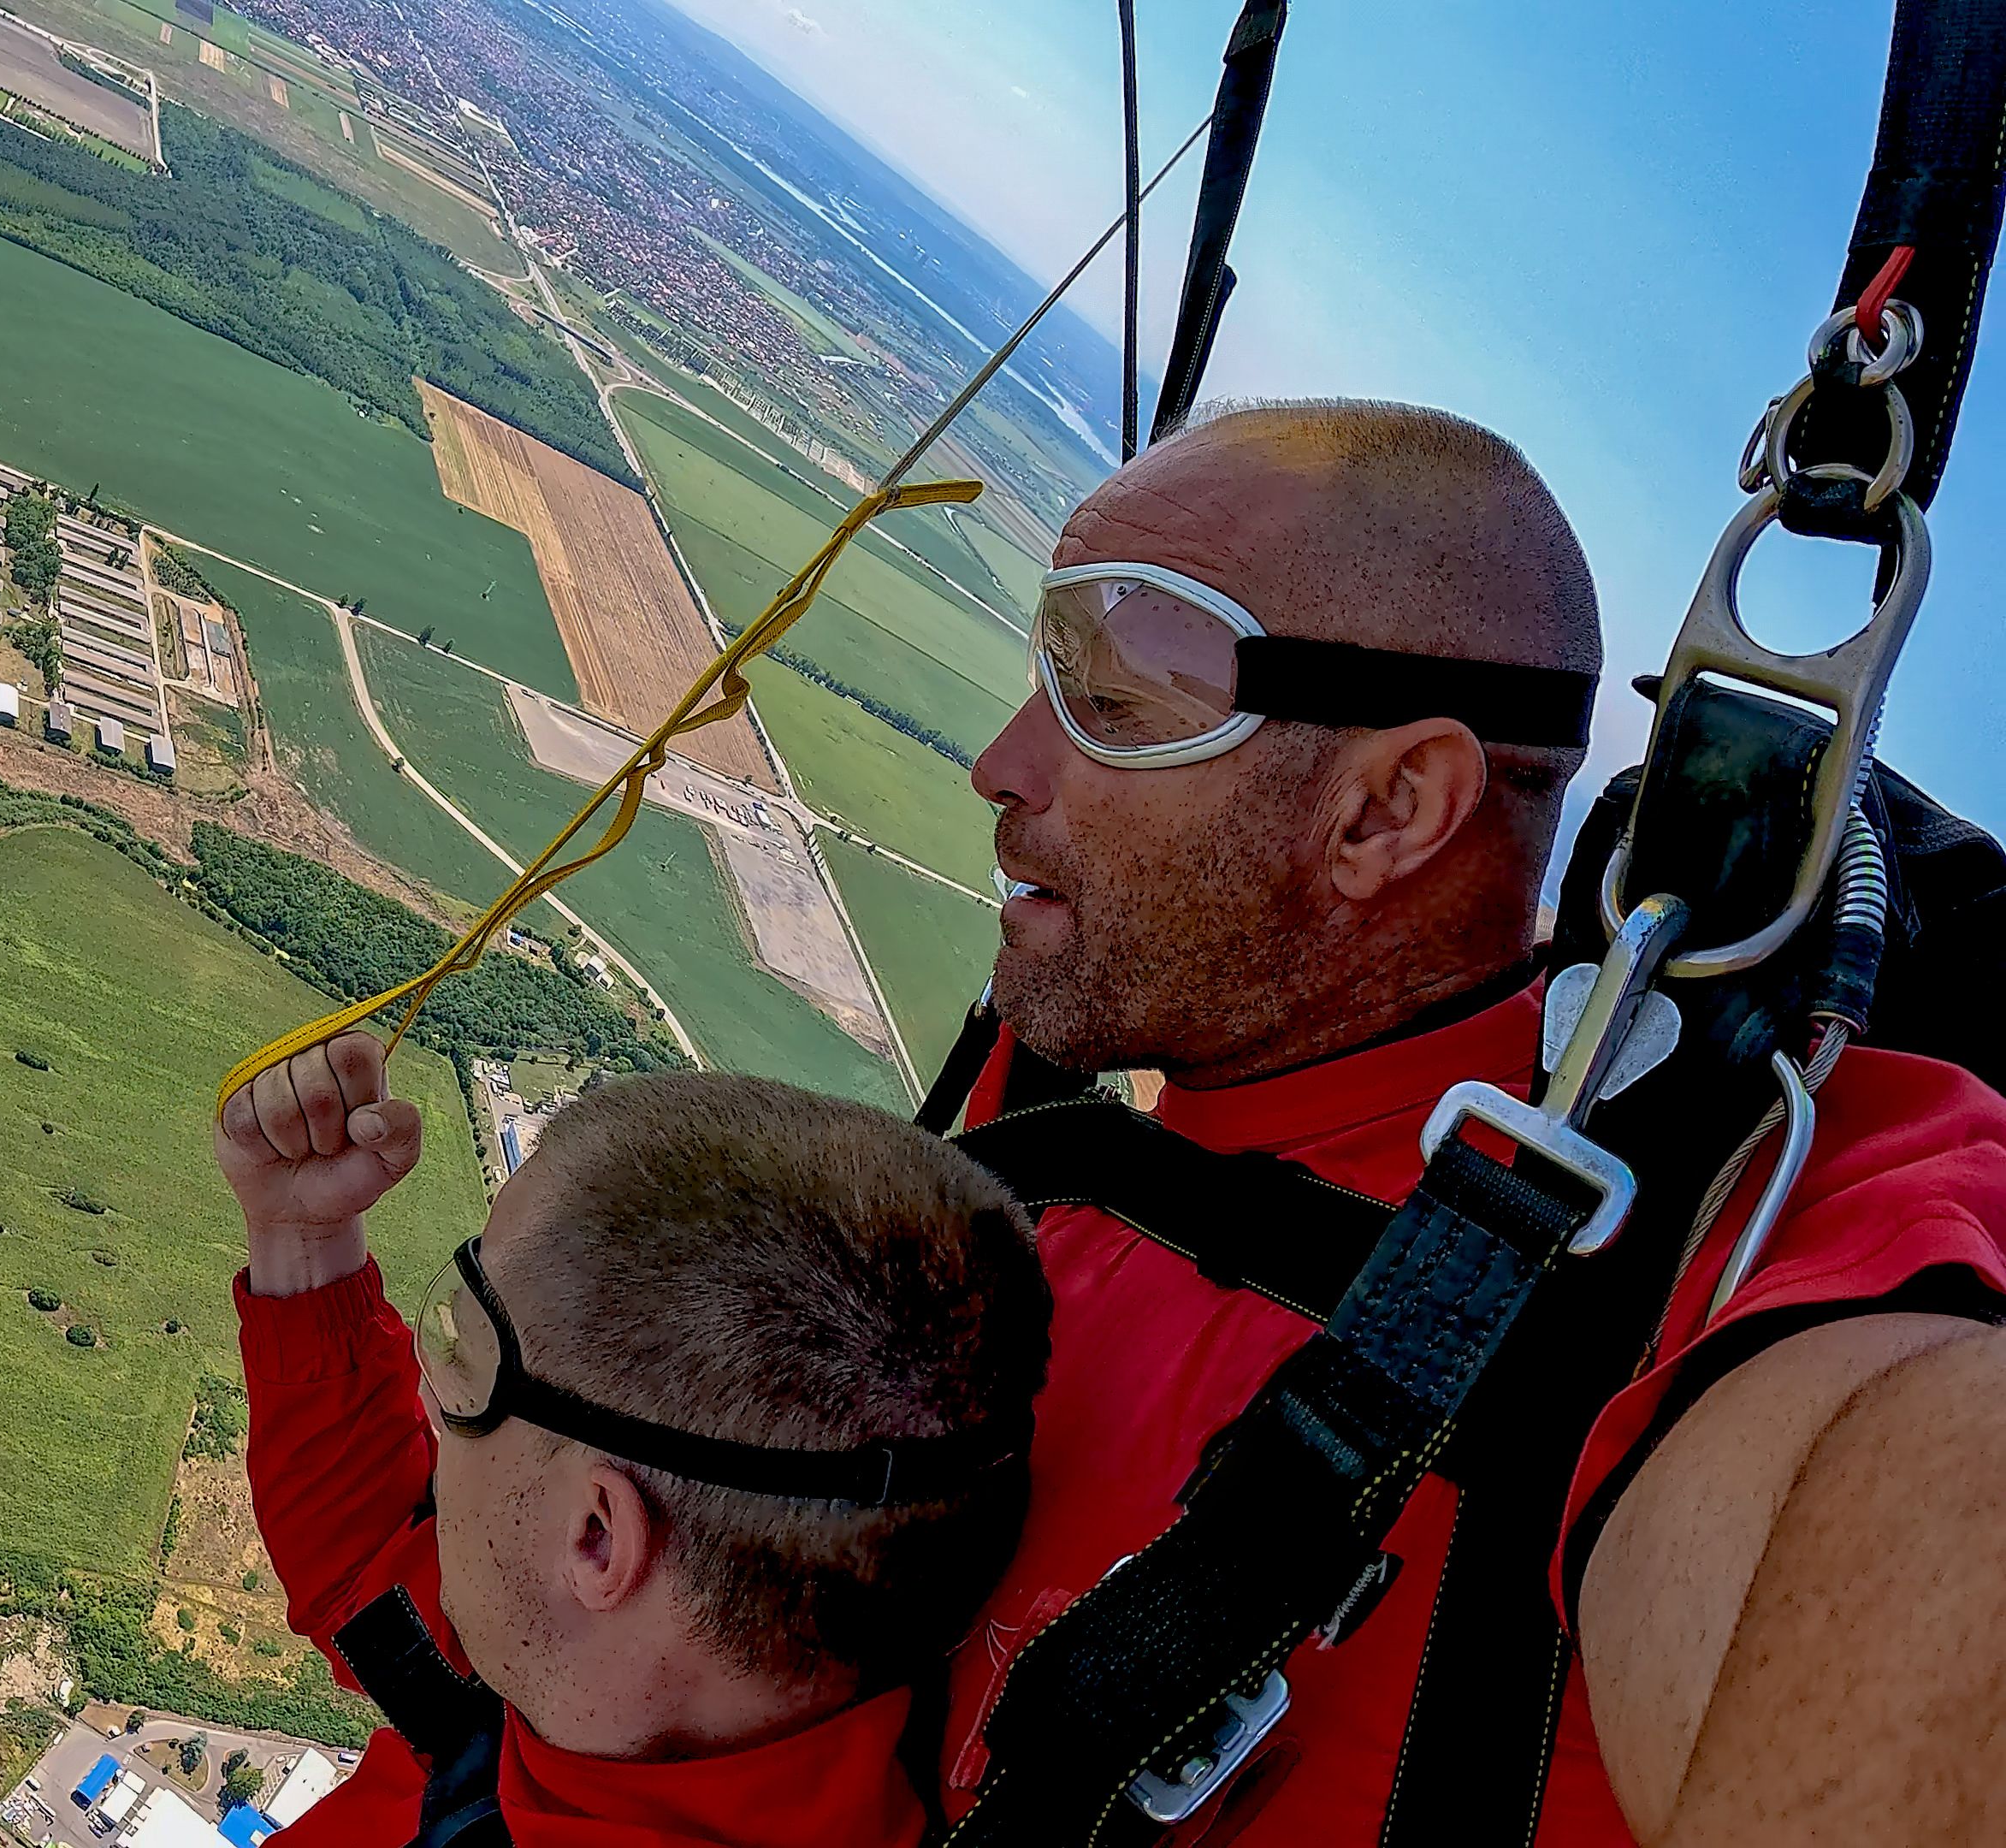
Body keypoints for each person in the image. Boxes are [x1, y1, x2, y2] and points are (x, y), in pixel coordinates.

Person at [944, 399, 2006, 1845]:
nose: (1001, 762)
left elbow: (1921, 1504)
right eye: (1049, 670)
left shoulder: (1726, 1206)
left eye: (1117, 697)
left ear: (1388, 810)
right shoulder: (1052, 1135)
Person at [214, 1042, 1046, 1845]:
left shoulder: (584, 1708)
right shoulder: (677, 1690)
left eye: (469, 1361)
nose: (430, 1391)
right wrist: (302, 1237)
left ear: (598, 1533)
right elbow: (386, 1598)